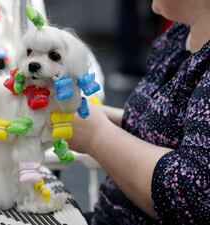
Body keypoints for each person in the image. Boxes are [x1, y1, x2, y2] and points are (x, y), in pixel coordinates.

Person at [68, 0, 210, 224]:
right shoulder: (180, 34)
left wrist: (97, 135)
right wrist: (93, 116)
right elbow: (164, 130)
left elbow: (195, 195)